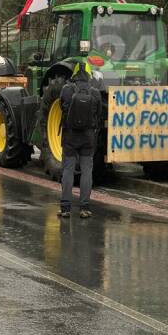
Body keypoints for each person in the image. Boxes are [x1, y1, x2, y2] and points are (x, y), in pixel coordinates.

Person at [58, 62, 103, 219]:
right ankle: (84, 208)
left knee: (68, 170)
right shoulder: (95, 93)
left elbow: (61, 108)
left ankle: (65, 208)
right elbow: (98, 115)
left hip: (70, 137)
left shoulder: (66, 90)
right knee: (86, 171)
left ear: (75, 74)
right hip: (88, 138)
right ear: (89, 75)